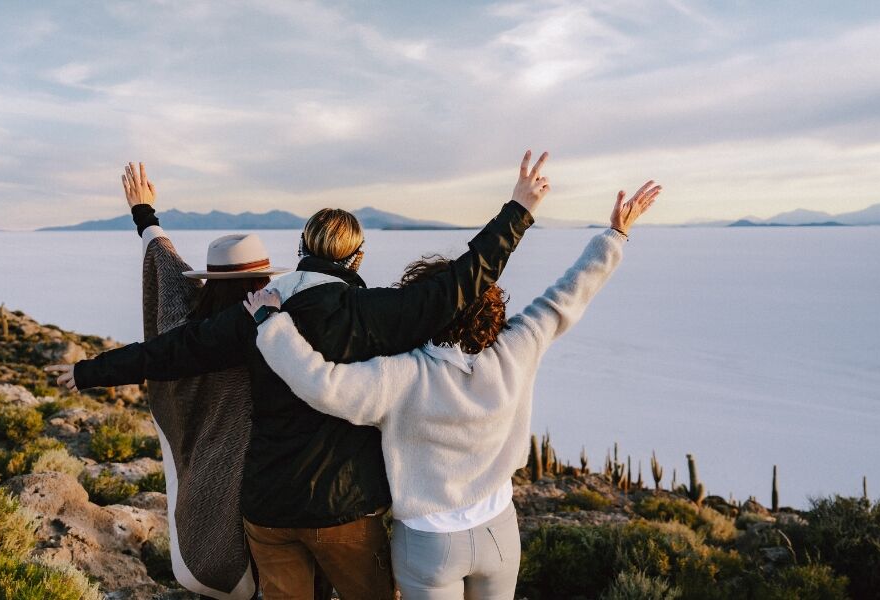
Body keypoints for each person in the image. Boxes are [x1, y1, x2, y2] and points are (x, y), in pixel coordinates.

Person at [49, 151, 552, 599]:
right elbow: (463, 280)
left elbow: (169, 351)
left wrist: (88, 372)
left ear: (301, 248)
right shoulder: (372, 313)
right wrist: (519, 210)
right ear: (357, 256)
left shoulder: (255, 312)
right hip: (345, 511)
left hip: (268, 511)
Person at [245, 180, 661, 598]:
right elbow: (568, 295)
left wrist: (272, 326)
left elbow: (321, 384)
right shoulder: (518, 348)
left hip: (428, 542)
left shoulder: (400, 376)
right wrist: (615, 236)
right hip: (497, 529)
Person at [49, 163, 289, 599]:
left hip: (208, 457)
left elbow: (166, 267)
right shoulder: (280, 326)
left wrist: (145, 214)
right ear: (263, 279)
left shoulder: (188, 325)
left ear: (211, 280)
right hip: (271, 466)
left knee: (216, 530)